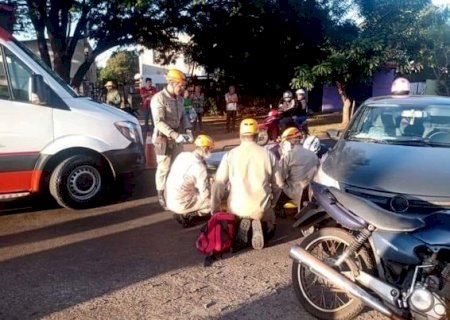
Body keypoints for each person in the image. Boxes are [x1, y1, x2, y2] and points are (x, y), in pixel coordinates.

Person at [211, 118, 283, 250]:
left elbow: (219, 183)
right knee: (271, 223)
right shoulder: (268, 154)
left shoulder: (230, 155)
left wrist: (214, 209)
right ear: (257, 136)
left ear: (240, 135)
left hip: (237, 208)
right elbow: (279, 184)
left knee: (236, 214)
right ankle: (261, 225)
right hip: (261, 207)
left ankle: (244, 225)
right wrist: (272, 203)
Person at [151, 69, 193, 209]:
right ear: (172, 83)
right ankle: (161, 194)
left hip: (177, 137)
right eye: (180, 86)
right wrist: (175, 135)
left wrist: (188, 129)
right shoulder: (159, 98)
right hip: (162, 137)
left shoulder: (180, 99)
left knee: (177, 165)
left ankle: (173, 192)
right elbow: (159, 122)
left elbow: (184, 116)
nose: (182, 89)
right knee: (164, 167)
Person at [165, 134, 214, 227]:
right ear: (205, 148)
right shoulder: (199, 167)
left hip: (169, 198)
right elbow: (205, 194)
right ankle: (190, 216)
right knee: (213, 201)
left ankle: (186, 211)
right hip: (180, 203)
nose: (210, 152)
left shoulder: (182, 155)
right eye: (210, 149)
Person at [276, 127, 319, 212]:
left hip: (294, 192)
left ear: (291, 141)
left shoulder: (288, 156)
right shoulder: (313, 155)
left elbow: (280, 177)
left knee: (277, 184)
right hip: (311, 193)